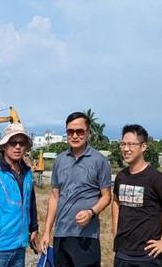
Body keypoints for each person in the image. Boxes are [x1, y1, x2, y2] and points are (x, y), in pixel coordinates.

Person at [40, 111, 112, 267]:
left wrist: (91, 212)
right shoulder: (59, 160)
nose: (74, 136)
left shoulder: (99, 161)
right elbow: (54, 197)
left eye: (79, 131)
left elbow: (107, 196)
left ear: (88, 133)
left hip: (86, 236)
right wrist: (47, 232)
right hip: (61, 235)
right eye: (70, 132)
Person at [111, 124, 162, 267]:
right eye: (123, 144)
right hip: (122, 254)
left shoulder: (156, 178)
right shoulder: (121, 176)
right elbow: (116, 202)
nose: (126, 149)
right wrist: (115, 231)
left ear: (143, 147)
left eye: (131, 144)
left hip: (147, 257)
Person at [0, 123, 39, 267]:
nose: (17, 147)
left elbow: (31, 202)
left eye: (21, 143)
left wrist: (34, 228)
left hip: (20, 246)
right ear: (4, 145)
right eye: (13, 142)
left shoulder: (27, 173)